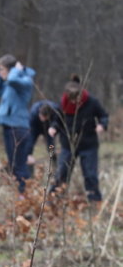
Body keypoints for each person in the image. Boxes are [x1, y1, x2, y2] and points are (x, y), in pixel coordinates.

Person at [47, 74, 109, 202]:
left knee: (90, 175)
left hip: (88, 144)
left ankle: (94, 201)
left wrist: (102, 125)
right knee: (62, 173)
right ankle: (54, 200)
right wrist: (53, 128)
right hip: (68, 145)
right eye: (72, 100)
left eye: (77, 100)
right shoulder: (63, 104)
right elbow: (57, 121)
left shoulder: (92, 102)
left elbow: (103, 115)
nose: (75, 103)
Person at [0, 54, 35, 193]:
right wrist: (0, 77)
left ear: (11, 70)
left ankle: (24, 195)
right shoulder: (9, 83)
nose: (0, 72)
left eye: (2, 69)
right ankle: (20, 195)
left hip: (18, 127)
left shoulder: (24, 81)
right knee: (14, 165)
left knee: (19, 165)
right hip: (9, 126)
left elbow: (12, 79)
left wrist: (16, 70)